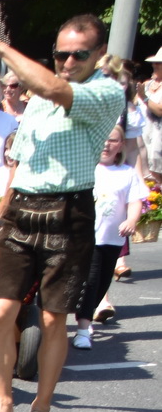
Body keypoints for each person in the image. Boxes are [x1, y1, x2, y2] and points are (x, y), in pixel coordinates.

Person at [0, 17, 124, 412]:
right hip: (22, 208)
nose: (68, 61)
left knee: (54, 319)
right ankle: (3, 405)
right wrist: (1, 214)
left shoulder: (105, 91)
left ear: (99, 55)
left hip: (69, 210)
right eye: (61, 54)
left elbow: (57, 89)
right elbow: (20, 163)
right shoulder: (37, 96)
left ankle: (42, 406)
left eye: (79, 54)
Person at [73, 126, 140, 347]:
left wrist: (131, 221)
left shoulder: (127, 173)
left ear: (120, 145)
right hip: (86, 238)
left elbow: (135, 201)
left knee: (102, 284)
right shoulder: (84, 169)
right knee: (90, 282)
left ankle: (86, 314)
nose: (106, 144)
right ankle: (83, 330)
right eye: (102, 139)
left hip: (112, 238)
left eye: (112, 140)